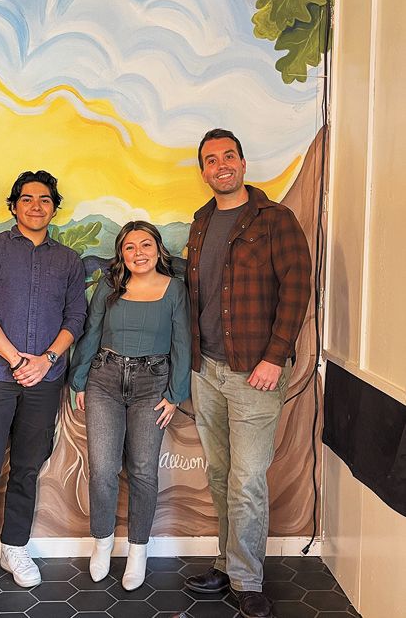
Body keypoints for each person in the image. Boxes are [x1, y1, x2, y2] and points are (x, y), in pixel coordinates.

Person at [183, 129, 311, 618]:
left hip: (255, 373)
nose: (221, 165)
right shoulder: (200, 222)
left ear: (241, 161)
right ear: (204, 170)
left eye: (228, 156)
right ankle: (228, 560)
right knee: (220, 474)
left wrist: (274, 357)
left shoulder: (275, 219)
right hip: (208, 368)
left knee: (247, 479)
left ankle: (248, 579)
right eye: (211, 160)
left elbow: (296, 289)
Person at [0, 170, 87, 611]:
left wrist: (45, 360)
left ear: (53, 207)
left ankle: (14, 546)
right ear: (13, 206)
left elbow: (75, 319)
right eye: (26, 199)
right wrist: (15, 359)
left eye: (44, 200)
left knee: (27, 468)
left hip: (45, 380)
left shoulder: (68, 261)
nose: (35, 206)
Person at [68, 220, 191, 591]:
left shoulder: (175, 290)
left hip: (152, 384)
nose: (139, 253)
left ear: (158, 249)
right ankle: (102, 544)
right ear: (121, 253)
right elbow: (91, 332)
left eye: (146, 245)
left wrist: (175, 393)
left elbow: (183, 343)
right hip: (104, 379)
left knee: (142, 471)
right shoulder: (109, 285)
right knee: (103, 469)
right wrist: (79, 378)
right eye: (130, 247)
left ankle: (138, 550)